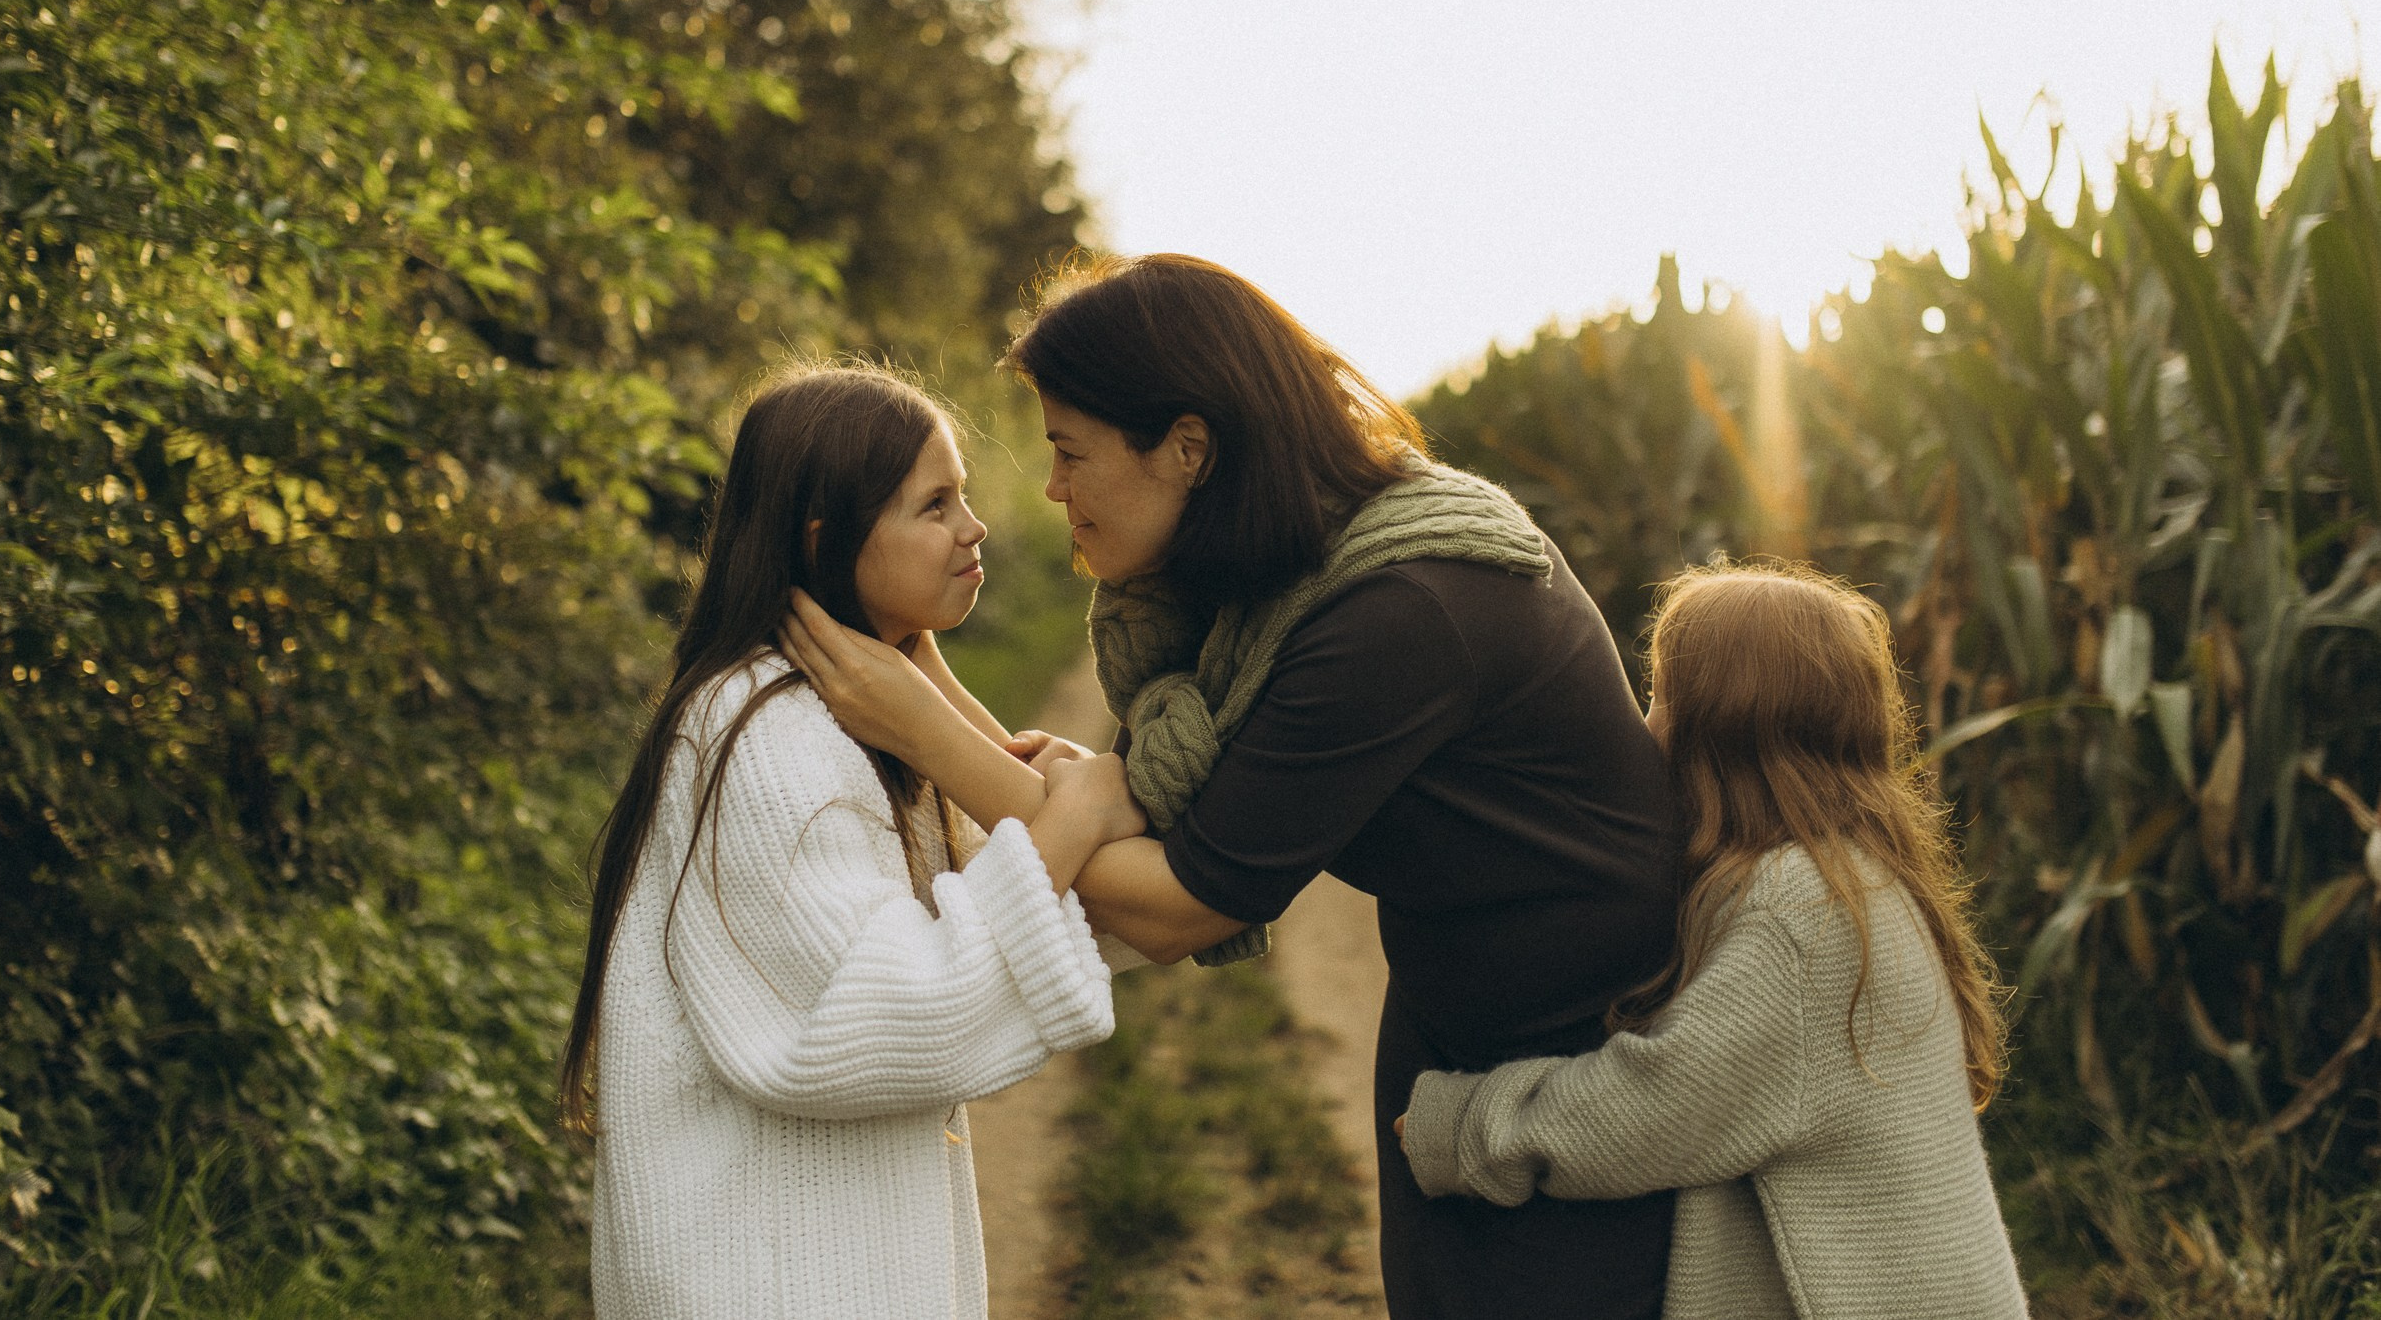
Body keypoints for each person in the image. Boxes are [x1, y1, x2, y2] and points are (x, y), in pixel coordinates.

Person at [778, 254, 1683, 1320]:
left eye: (1070, 452)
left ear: (1189, 447)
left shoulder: (1402, 607)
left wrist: (925, 729)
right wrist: (946, 688)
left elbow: (1180, 902)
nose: (1054, 486)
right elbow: (1165, 825)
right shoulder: (1286, 575)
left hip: (1586, 1051)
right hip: (1457, 1013)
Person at [561, 365, 1138, 1320]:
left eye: (964, 494)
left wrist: (936, 689)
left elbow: (1065, 897)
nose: (976, 525)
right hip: (766, 1283)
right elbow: (894, 1010)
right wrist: (1071, 815)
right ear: (827, 542)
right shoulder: (763, 739)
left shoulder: (842, 712)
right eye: (935, 504)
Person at [1396, 562, 2028, 1320]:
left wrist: (1461, 1127)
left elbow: (1652, 1109)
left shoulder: (1800, 914)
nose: (1644, 720)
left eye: (1661, 693)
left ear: (1719, 723)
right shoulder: (1856, 872)